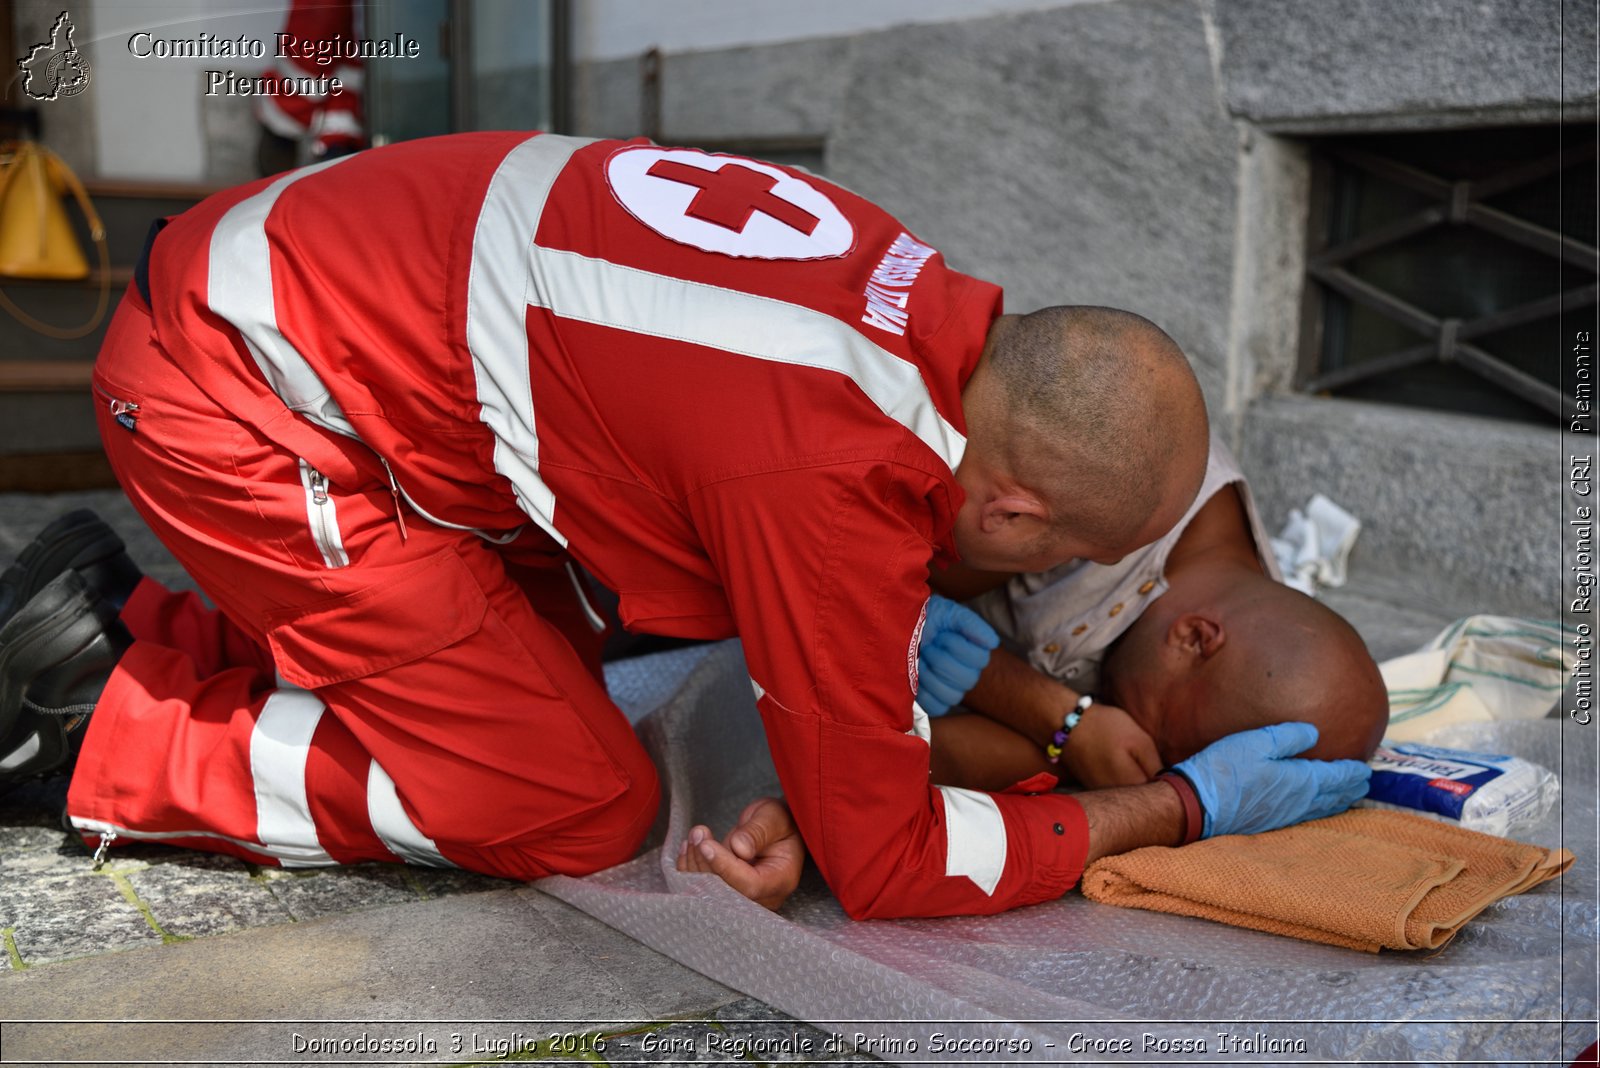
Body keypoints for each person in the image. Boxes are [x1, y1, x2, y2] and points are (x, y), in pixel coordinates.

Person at [0, 132, 1366, 920]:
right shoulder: (830, 482)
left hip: (294, 320)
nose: (1048, 581)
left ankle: (119, 625)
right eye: (1056, 549)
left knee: (557, 671)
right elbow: (895, 867)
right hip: (232, 394)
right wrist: (1177, 808)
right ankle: (96, 739)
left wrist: (839, 760)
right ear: (1011, 502)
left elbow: (783, 602)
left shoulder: (904, 291)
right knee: (574, 800)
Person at [916, 433, 1390, 794]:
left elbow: (923, 760)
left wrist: (1073, 738)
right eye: (1161, 738)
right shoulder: (1107, 490)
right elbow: (882, 590)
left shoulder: (1248, 647)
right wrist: (1054, 713)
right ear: (1195, 637)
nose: (1143, 755)